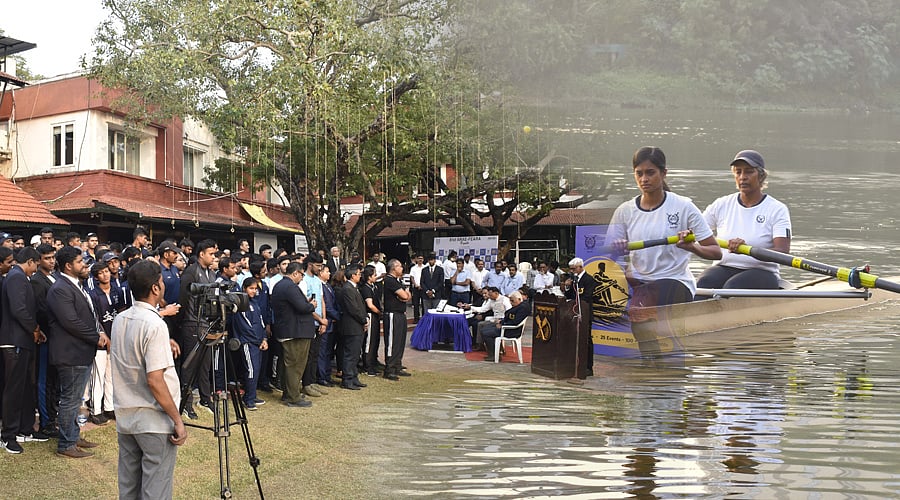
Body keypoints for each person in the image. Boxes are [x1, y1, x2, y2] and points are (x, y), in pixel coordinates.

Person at [606, 146, 722, 356]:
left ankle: (661, 362)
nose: (644, 179)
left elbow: (715, 251)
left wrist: (692, 246)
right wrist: (618, 252)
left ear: (663, 173)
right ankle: (657, 369)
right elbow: (607, 256)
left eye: (650, 173)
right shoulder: (624, 211)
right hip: (640, 283)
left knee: (645, 312)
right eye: (639, 173)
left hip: (675, 282)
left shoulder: (683, 207)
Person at [110, 259, 187, 499]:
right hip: (153, 420)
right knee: (156, 489)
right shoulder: (154, 324)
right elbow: (155, 379)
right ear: (155, 288)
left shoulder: (120, 319)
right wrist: (177, 419)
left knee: (129, 488)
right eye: (161, 281)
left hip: (126, 416)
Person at [46, 245, 109, 458]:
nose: (85, 265)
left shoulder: (75, 285)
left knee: (76, 399)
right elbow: (70, 321)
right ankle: (66, 444)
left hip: (81, 351)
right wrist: (96, 336)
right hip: (70, 353)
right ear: (68, 265)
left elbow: (88, 316)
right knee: (70, 399)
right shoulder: (60, 289)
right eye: (80, 262)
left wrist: (97, 332)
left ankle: (73, 436)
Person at [697, 150, 792, 289]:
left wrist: (748, 249)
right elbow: (697, 231)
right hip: (724, 267)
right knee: (703, 283)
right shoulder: (721, 204)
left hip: (762, 272)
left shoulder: (777, 209)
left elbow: (783, 250)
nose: (742, 177)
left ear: (761, 176)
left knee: (732, 287)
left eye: (748, 172)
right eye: (738, 172)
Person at [1, 247, 46, 453]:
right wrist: (34, 329)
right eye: (36, 264)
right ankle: (8, 435)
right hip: (14, 341)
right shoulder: (16, 277)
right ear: (30, 261)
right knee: (14, 389)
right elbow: (19, 310)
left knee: (27, 387)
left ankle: (25, 429)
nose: (36, 269)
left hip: (24, 340)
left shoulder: (19, 277)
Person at [177, 239, 218, 419]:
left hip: (207, 324)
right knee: (190, 365)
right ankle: (185, 403)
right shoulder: (191, 271)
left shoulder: (211, 274)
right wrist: (186, 321)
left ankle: (205, 398)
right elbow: (184, 299)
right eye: (211, 254)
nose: (213, 257)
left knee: (205, 364)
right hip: (192, 323)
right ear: (201, 254)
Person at [270, 262, 317, 408]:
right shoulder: (290, 286)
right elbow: (302, 307)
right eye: (301, 275)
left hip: (288, 329)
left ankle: (289, 392)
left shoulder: (280, 285)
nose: (302, 278)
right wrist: (312, 306)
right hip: (295, 331)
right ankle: (293, 397)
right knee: (295, 365)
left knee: (289, 364)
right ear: (295, 273)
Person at [32, 244, 60, 438]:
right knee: (44, 381)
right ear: (38, 260)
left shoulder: (55, 277)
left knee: (54, 380)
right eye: (47, 258)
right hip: (46, 337)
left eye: (53, 257)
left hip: (57, 338)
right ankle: (45, 421)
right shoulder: (37, 281)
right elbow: (41, 311)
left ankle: (53, 416)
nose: (51, 261)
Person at [232, 277, 268, 410]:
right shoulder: (242, 305)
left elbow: (261, 323)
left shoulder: (255, 304)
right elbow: (245, 327)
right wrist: (258, 340)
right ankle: (249, 400)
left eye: (255, 289)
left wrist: (264, 339)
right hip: (247, 343)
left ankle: (251, 395)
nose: (253, 291)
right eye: (251, 288)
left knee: (256, 369)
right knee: (251, 370)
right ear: (244, 289)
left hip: (258, 342)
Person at [337, 265, 368, 390]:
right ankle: (347, 379)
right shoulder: (348, 289)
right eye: (358, 274)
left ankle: (354, 377)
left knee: (355, 353)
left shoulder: (354, 288)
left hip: (357, 326)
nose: (360, 276)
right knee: (350, 354)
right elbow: (353, 309)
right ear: (353, 275)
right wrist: (363, 319)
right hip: (351, 326)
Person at [382, 259, 411, 380]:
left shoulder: (398, 280)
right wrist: (404, 296)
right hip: (392, 314)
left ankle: (397, 365)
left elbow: (407, 297)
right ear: (393, 268)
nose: (402, 268)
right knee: (392, 342)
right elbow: (404, 295)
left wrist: (405, 296)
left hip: (400, 313)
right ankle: (389, 368)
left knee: (400, 341)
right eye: (399, 266)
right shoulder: (389, 280)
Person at [482, 291, 530, 360]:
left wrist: (503, 324)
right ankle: (497, 351)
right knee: (485, 328)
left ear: (519, 299)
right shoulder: (518, 306)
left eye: (513, 301)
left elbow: (515, 321)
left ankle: (494, 355)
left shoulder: (522, 308)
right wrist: (501, 322)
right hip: (506, 327)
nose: (511, 303)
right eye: (510, 301)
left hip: (511, 330)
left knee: (486, 333)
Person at [360, 266, 383, 376]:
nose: (376, 276)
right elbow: (370, 305)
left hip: (375, 316)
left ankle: (373, 362)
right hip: (370, 315)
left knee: (375, 340)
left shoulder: (374, 287)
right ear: (369, 277)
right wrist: (379, 312)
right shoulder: (365, 288)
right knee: (369, 341)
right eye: (374, 275)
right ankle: (367, 366)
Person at [408, 254, 425, 322]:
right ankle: (416, 318)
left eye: (421, 258)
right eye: (419, 258)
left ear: (423, 260)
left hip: (423, 288)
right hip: (416, 287)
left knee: (424, 304)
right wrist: (415, 284)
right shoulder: (413, 268)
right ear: (416, 259)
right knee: (416, 304)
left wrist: (422, 285)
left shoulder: (425, 267)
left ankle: (423, 318)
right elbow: (412, 277)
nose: (420, 260)